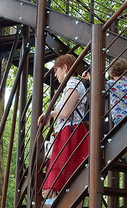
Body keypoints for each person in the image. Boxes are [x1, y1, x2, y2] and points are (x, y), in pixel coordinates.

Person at [37, 54, 88, 206]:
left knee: (58, 172)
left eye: (56, 69)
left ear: (65, 68)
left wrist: (50, 114)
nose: (55, 73)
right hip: (68, 131)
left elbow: (65, 112)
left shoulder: (73, 83)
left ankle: (53, 201)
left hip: (69, 132)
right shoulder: (73, 84)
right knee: (62, 173)